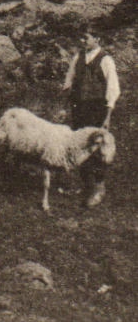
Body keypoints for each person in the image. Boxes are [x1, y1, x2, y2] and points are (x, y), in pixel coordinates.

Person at [62, 26, 120, 207]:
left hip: (97, 109)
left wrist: (108, 115)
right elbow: (68, 81)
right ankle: (86, 183)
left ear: (97, 40)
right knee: (80, 145)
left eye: (86, 38)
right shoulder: (78, 58)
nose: (83, 41)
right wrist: (66, 103)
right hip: (79, 108)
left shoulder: (106, 60)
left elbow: (113, 88)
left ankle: (98, 187)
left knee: (97, 146)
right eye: (82, 38)